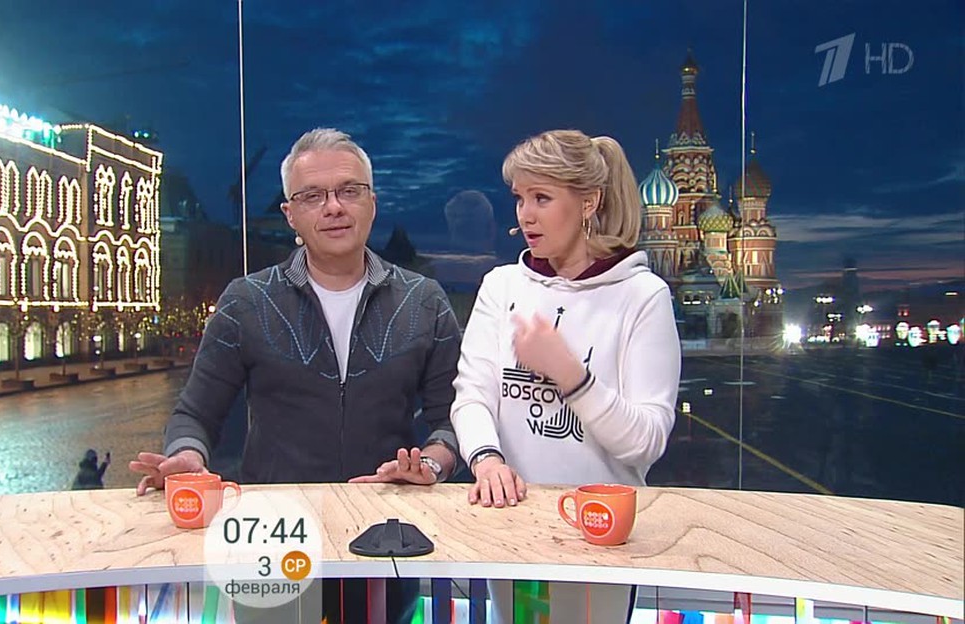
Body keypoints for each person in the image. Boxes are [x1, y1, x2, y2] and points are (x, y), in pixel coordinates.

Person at [130, 128, 462, 623]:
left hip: (385, 535)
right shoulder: (246, 301)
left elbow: (451, 421)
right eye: (312, 196)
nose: (333, 207)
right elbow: (195, 414)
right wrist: (188, 457)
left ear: (372, 203)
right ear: (290, 214)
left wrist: (431, 464)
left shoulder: (424, 301)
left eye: (349, 191)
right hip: (270, 540)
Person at [450, 129, 681, 622]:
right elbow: (472, 394)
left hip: (600, 536)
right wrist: (486, 460)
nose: (525, 215)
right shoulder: (502, 286)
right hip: (514, 525)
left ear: (588, 202)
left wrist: (569, 374)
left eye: (542, 198)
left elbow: (645, 442)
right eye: (519, 199)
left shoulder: (642, 296)